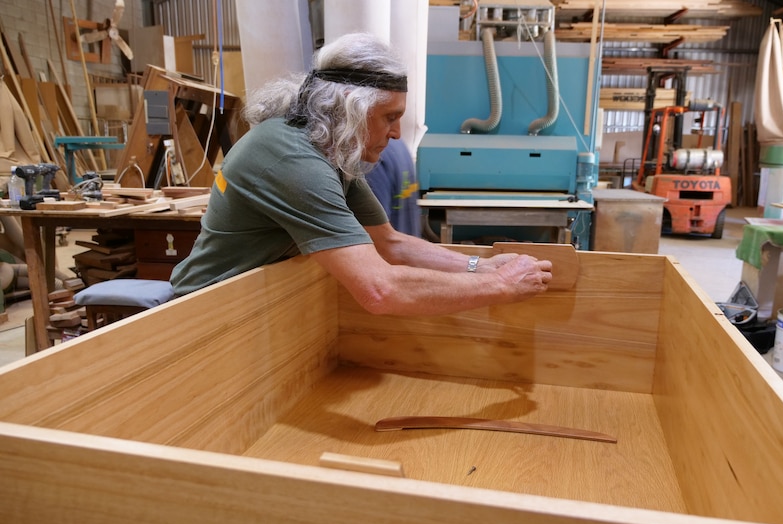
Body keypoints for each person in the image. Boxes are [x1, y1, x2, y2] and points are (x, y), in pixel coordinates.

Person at [170, 32, 552, 316]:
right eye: (390, 117)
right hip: (203, 310)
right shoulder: (291, 158)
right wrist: (497, 286)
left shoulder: (328, 153)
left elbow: (390, 244)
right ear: (351, 108)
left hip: (252, 305)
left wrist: (479, 267)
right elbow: (379, 290)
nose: (397, 134)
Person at [365, 138, 421, 237]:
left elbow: (377, 234)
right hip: (406, 246)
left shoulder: (370, 155)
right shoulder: (399, 145)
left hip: (383, 250)